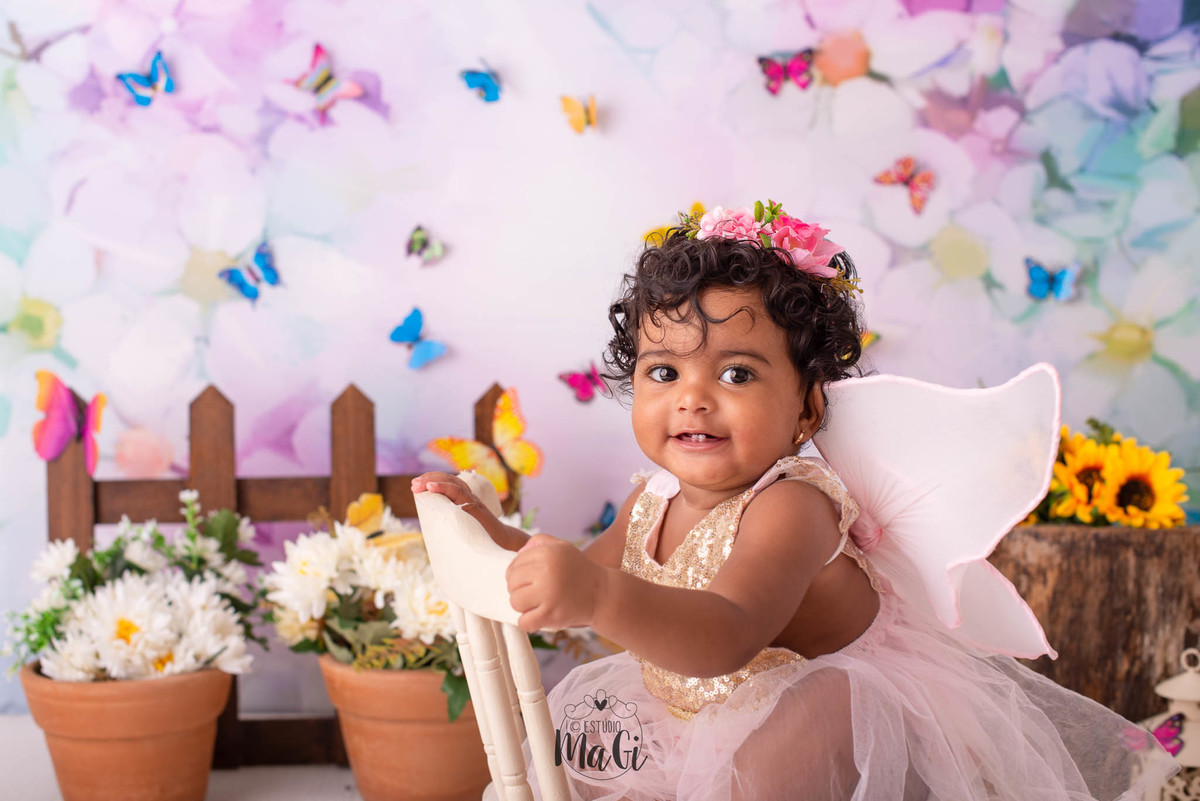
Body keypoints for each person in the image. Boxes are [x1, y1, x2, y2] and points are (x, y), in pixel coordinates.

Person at [412, 201, 1178, 800]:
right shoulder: (652, 498)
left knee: (771, 757)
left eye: (737, 373)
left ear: (808, 409)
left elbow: (726, 632)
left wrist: (600, 595)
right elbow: (578, 572)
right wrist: (495, 537)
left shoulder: (793, 507)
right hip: (699, 711)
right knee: (591, 758)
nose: (693, 398)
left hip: (827, 708)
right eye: (664, 372)